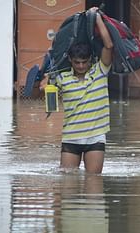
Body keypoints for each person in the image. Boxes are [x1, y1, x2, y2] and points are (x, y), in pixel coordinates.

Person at [40, 7, 113, 174]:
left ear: (90, 61)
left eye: (84, 62)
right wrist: (42, 86)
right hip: (71, 137)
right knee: (67, 188)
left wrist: (97, 18)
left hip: (95, 138)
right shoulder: (62, 78)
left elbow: (108, 46)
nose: (81, 66)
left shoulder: (100, 72)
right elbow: (39, 97)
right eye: (77, 62)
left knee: (94, 186)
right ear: (71, 61)